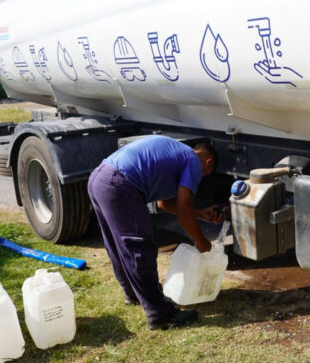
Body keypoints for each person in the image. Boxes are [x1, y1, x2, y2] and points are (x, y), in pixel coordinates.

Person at [87, 135, 222, 330]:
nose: (200, 178)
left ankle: (134, 293)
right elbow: (184, 209)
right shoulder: (193, 161)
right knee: (139, 247)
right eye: (205, 174)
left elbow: (164, 203)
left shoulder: (177, 154)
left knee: (117, 244)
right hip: (120, 184)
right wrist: (201, 240)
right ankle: (160, 313)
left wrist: (199, 214)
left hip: (100, 178)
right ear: (208, 162)